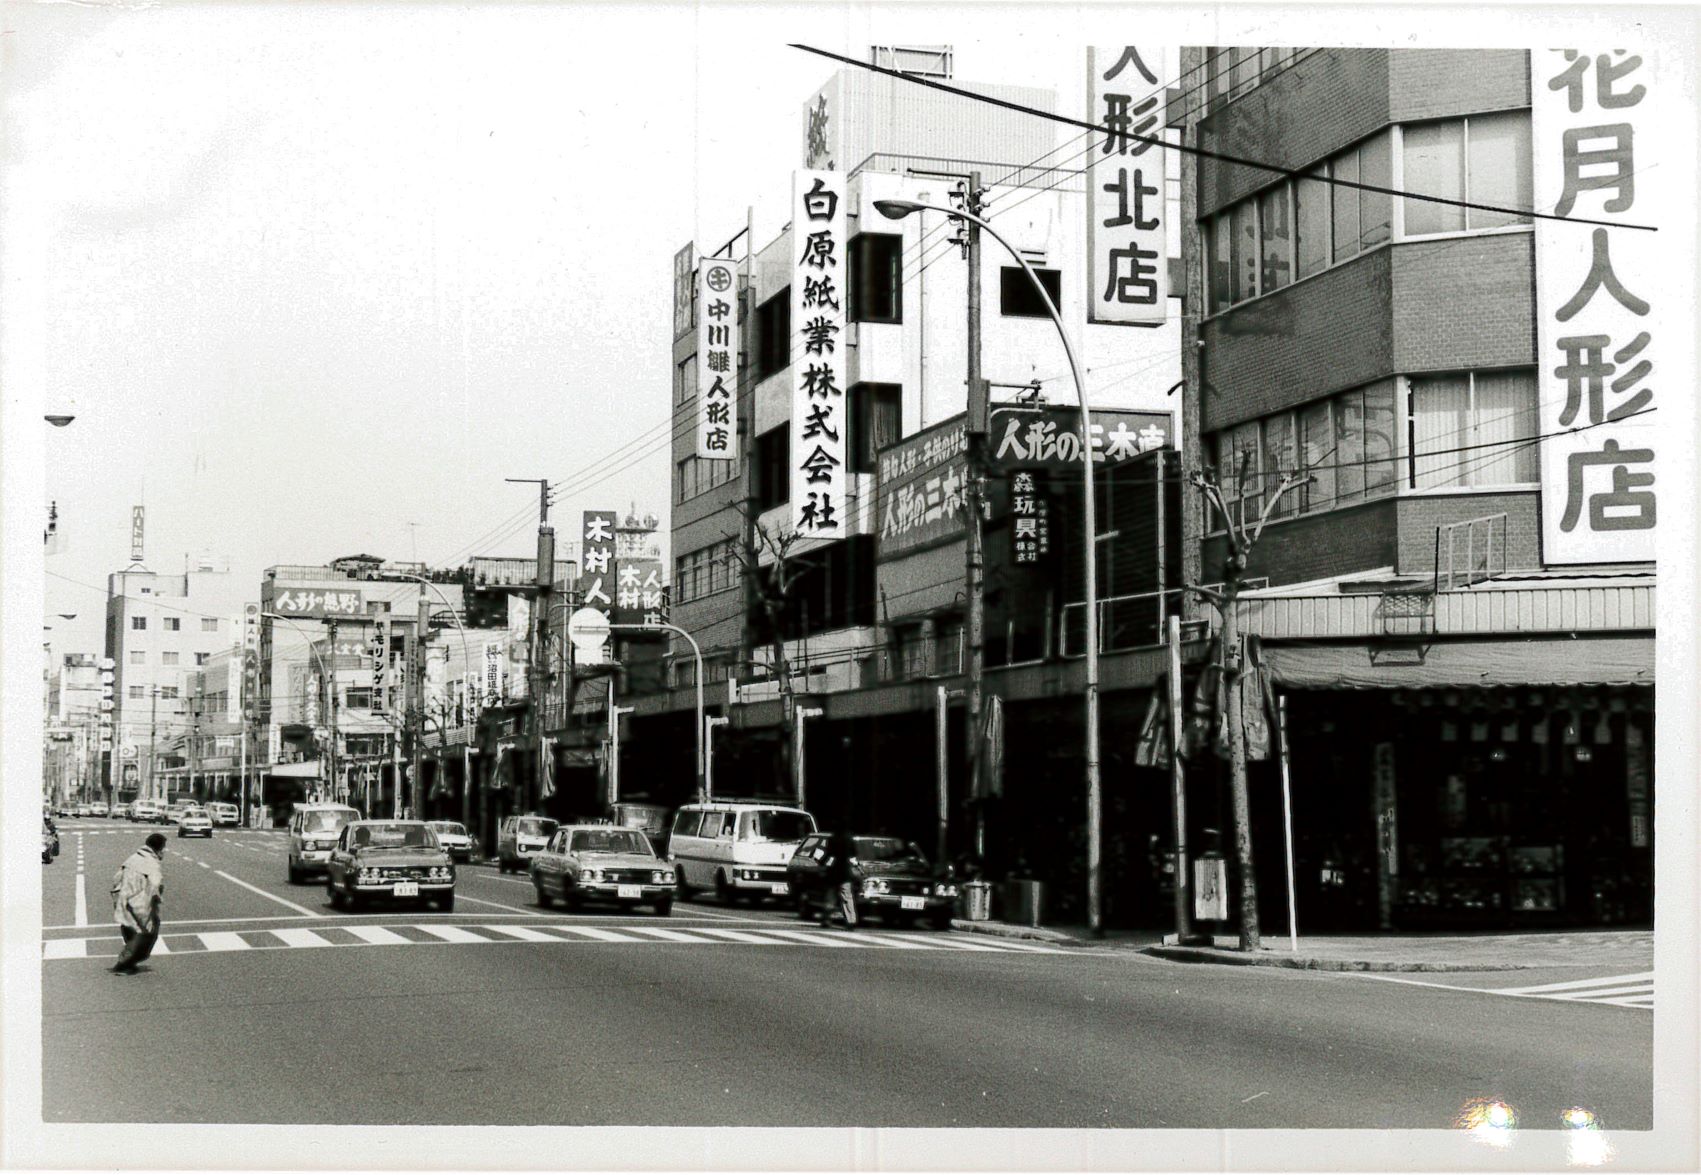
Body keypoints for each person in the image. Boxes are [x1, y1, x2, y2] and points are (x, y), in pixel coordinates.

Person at [110, 832, 167, 974]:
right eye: (164, 848)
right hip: (139, 901)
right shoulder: (152, 863)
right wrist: (156, 900)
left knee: (130, 929)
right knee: (145, 933)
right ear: (159, 849)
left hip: (123, 898)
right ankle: (123, 964)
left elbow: (117, 878)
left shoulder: (133, 858)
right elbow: (155, 884)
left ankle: (130, 962)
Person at [819, 829, 859, 930]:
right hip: (845, 872)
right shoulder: (850, 840)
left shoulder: (833, 839)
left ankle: (827, 919)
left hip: (833, 872)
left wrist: (821, 863)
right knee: (847, 898)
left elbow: (828, 855)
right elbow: (854, 856)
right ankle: (851, 920)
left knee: (830, 898)